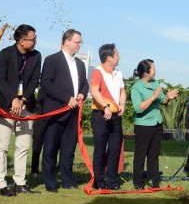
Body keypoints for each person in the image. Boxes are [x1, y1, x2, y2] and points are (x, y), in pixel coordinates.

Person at [0, 24, 42, 196]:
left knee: (23, 146)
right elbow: (0, 80)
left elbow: (35, 80)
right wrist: (13, 98)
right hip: (7, 106)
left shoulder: (36, 56)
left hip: (26, 106)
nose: (35, 41)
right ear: (21, 41)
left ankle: (20, 183)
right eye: (32, 38)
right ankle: (1, 184)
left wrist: (23, 99)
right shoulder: (6, 54)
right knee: (3, 146)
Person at [41, 29, 89, 192]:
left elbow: (85, 84)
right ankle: (51, 183)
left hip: (73, 114)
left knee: (68, 151)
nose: (79, 45)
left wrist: (82, 94)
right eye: (77, 42)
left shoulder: (80, 64)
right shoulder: (52, 60)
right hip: (55, 112)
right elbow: (47, 84)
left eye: (80, 42)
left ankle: (68, 181)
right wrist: (66, 98)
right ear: (67, 41)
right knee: (50, 150)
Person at [131, 59, 178, 189]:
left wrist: (168, 97)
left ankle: (155, 181)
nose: (155, 70)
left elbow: (162, 100)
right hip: (143, 125)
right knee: (141, 154)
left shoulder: (155, 83)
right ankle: (138, 183)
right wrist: (152, 97)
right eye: (153, 68)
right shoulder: (136, 87)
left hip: (157, 123)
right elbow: (138, 108)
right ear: (146, 73)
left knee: (154, 154)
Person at [89, 44, 126, 190]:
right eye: (117, 54)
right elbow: (94, 91)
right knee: (100, 150)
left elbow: (122, 91)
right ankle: (99, 181)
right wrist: (105, 106)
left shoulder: (119, 74)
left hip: (116, 117)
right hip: (100, 115)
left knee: (115, 149)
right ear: (109, 57)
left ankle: (112, 181)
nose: (119, 57)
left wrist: (122, 104)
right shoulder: (98, 72)